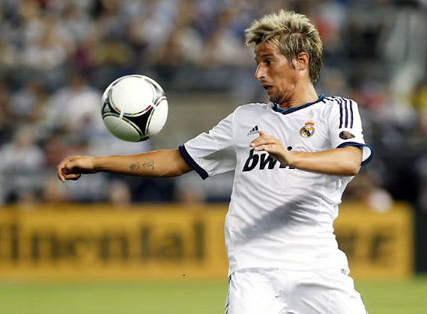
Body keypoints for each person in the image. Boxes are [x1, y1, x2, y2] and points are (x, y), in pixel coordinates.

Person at [57, 10, 372, 314]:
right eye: (257, 63)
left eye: (268, 62)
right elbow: (176, 160)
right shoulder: (244, 119)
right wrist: (97, 163)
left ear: (301, 61)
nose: (259, 73)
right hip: (253, 273)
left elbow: (350, 160)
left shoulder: (336, 111)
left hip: (318, 268)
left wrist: (290, 157)